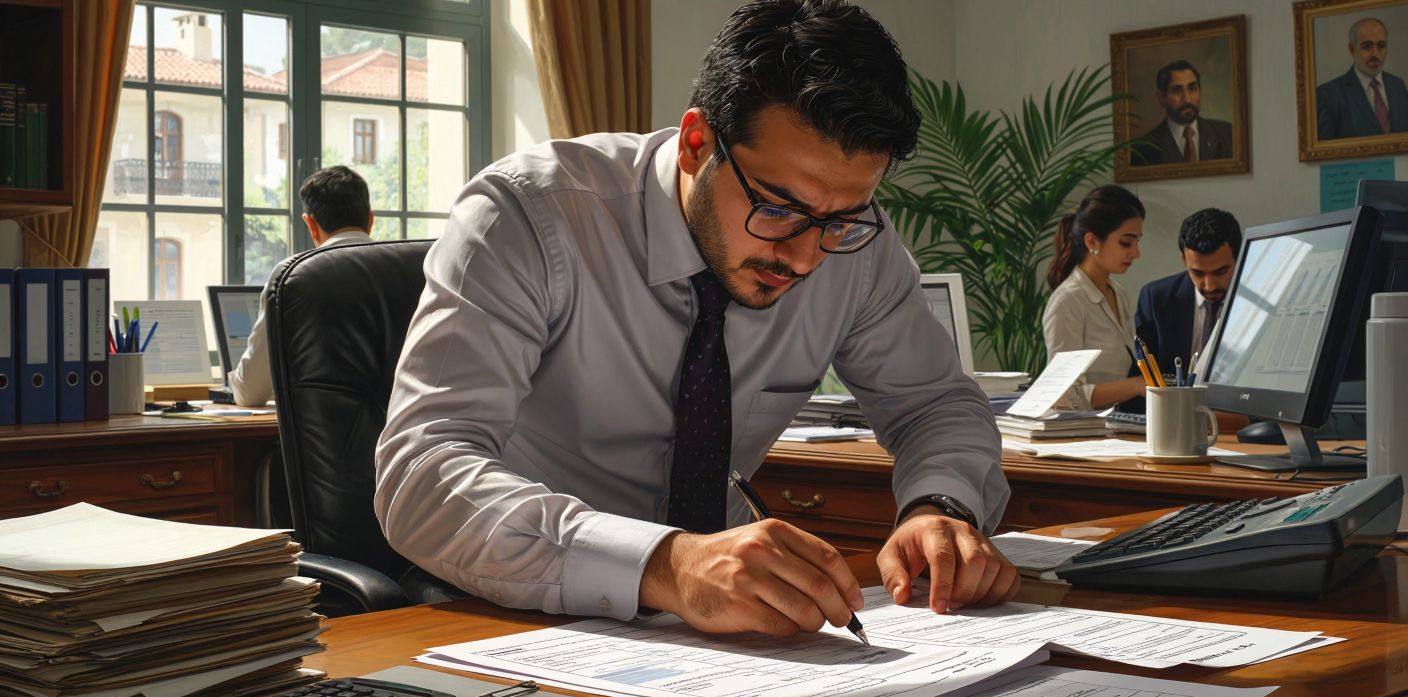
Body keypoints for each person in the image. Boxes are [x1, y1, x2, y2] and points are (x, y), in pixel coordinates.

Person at [374, 0, 1017, 639]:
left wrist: (939, 505)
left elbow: (936, 405)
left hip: (722, 628)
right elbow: (421, 474)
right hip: (513, 609)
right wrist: (665, 563)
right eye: (777, 208)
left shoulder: (857, 249)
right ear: (694, 143)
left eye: (842, 219)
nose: (804, 257)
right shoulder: (528, 216)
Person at [227, 166, 374, 406]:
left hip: (326, 428)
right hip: (408, 428)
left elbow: (250, 392)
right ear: (370, 220)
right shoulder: (412, 267)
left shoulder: (293, 276)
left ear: (310, 224)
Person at [1041, 185, 1147, 409]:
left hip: (1112, 422)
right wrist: (1136, 385)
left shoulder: (1118, 293)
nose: (1136, 253)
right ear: (1092, 242)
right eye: (1126, 242)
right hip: (1079, 428)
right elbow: (1063, 396)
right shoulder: (1068, 301)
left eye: (1137, 241)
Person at [1135, 208, 1242, 384]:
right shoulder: (1156, 299)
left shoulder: (1262, 297)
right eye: (1198, 273)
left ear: (1238, 259)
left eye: (1220, 272)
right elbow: (1144, 377)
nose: (1209, 286)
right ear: (1184, 260)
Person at [1317, 17, 1408, 140]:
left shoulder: (1398, 85)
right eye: (1367, 46)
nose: (1375, 53)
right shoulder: (1329, 95)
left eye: (1381, 45)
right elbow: (1324, 149)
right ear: (1352, 49)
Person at [1130, 60, 1235, 166]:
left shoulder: (1227, 134)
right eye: (1177, 91)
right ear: (1161, 98)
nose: (1187, 99)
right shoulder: (1142, 149)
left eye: (1192, 88)